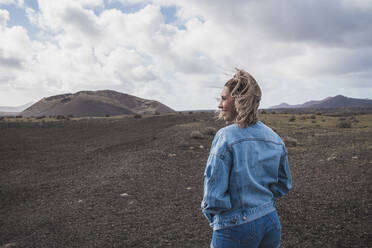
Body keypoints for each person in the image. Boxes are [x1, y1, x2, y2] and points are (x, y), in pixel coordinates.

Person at [201, 69, 292, 248]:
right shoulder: (274, 137)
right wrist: (262, 203)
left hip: (235, 227)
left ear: (238, 100)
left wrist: (217, 219)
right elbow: (283, 184)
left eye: (223, 98)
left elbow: (213, 196)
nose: (220, 105)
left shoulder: (226, 137)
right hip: (270, 222)